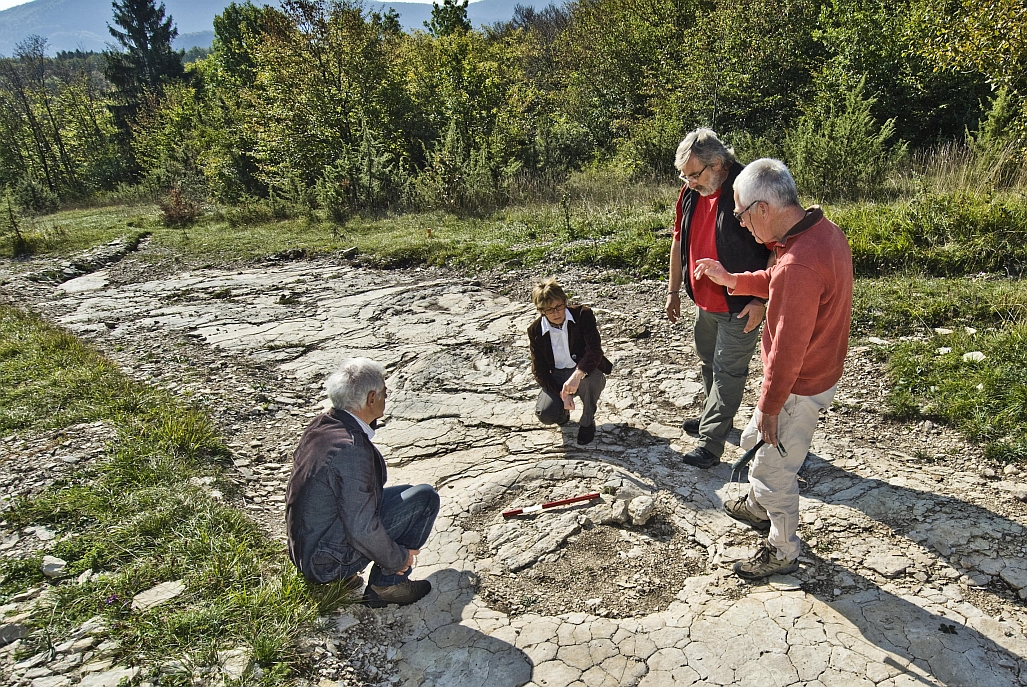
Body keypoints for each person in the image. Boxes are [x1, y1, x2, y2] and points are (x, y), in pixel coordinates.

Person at [693, 158, 853, 580]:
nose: (742, 225)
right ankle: (758, 505)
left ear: (763, 207)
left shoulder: (800, 262)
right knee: (753, 439)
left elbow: (786, 349)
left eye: (742, 215)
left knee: (771, 468)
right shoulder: (820, 231)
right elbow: (778, 278)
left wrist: (770, 403)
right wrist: (732, 278)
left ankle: (782, 548)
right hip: (814, 373)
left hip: (797, 384)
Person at [286, 357, 441, 607]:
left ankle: (344, 577)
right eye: (383, 392)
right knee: (424, 499)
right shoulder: (351, 450)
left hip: (307, 547)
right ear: (371, 399)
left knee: (408, 493)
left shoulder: (324, 425)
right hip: (323, 561)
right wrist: (398, 558)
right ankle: (387, 585)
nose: (385, 398)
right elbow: (360, 527)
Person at [666, 128, 772, 470]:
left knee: (728, 373)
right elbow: (679, 241)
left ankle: (710, 444)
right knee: (710, 363)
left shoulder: (749, 189)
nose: (689, 182)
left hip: (740, 305)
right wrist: (673, 290)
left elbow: (778, 249)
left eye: (694, 174)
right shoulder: (690, 194)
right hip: (704, 302)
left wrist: (760, 299)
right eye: (684, 175)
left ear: (720, 163)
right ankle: (718, 419)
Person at [528, 278, 613, 445]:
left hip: (584, 370)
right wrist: (562, 392)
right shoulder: (535, 331)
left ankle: (587, 421)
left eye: (559, 306)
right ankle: (562, 414)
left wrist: (578, 373)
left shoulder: (583, 315)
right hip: (557, 375)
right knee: (545, 413)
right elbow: (539, 370)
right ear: (541, 311)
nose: (556, 313)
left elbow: (594, 350)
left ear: (564, 301)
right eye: (549, 309)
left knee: (591, 380)